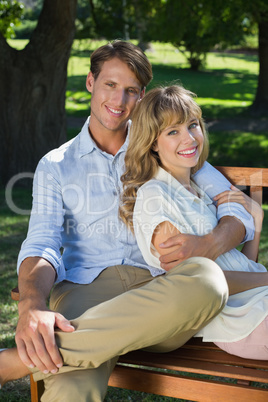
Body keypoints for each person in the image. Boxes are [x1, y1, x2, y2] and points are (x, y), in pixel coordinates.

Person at [0, 41, 254, 400]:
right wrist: (31, 305)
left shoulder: (163, 143)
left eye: (131, 91)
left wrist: (209, 244)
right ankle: (57, 352)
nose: (119, 102)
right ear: (91, 82)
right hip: (85, 294)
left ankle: (12, 364)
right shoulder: (56, 165)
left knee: (209, 280)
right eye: (110, 85)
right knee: (72, 389)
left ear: (143, 95)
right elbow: (42, 244)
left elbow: (237, 207)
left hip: (162, 296)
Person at [120, 84, 268, 359]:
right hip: (240, 320)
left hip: (257, 300)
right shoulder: (155, 196)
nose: (189, 138)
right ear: (152, 142)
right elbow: (198, 286)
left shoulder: (199, 189)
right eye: (173, 132)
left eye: (193, 125)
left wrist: (256, 221)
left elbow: (240, 263)